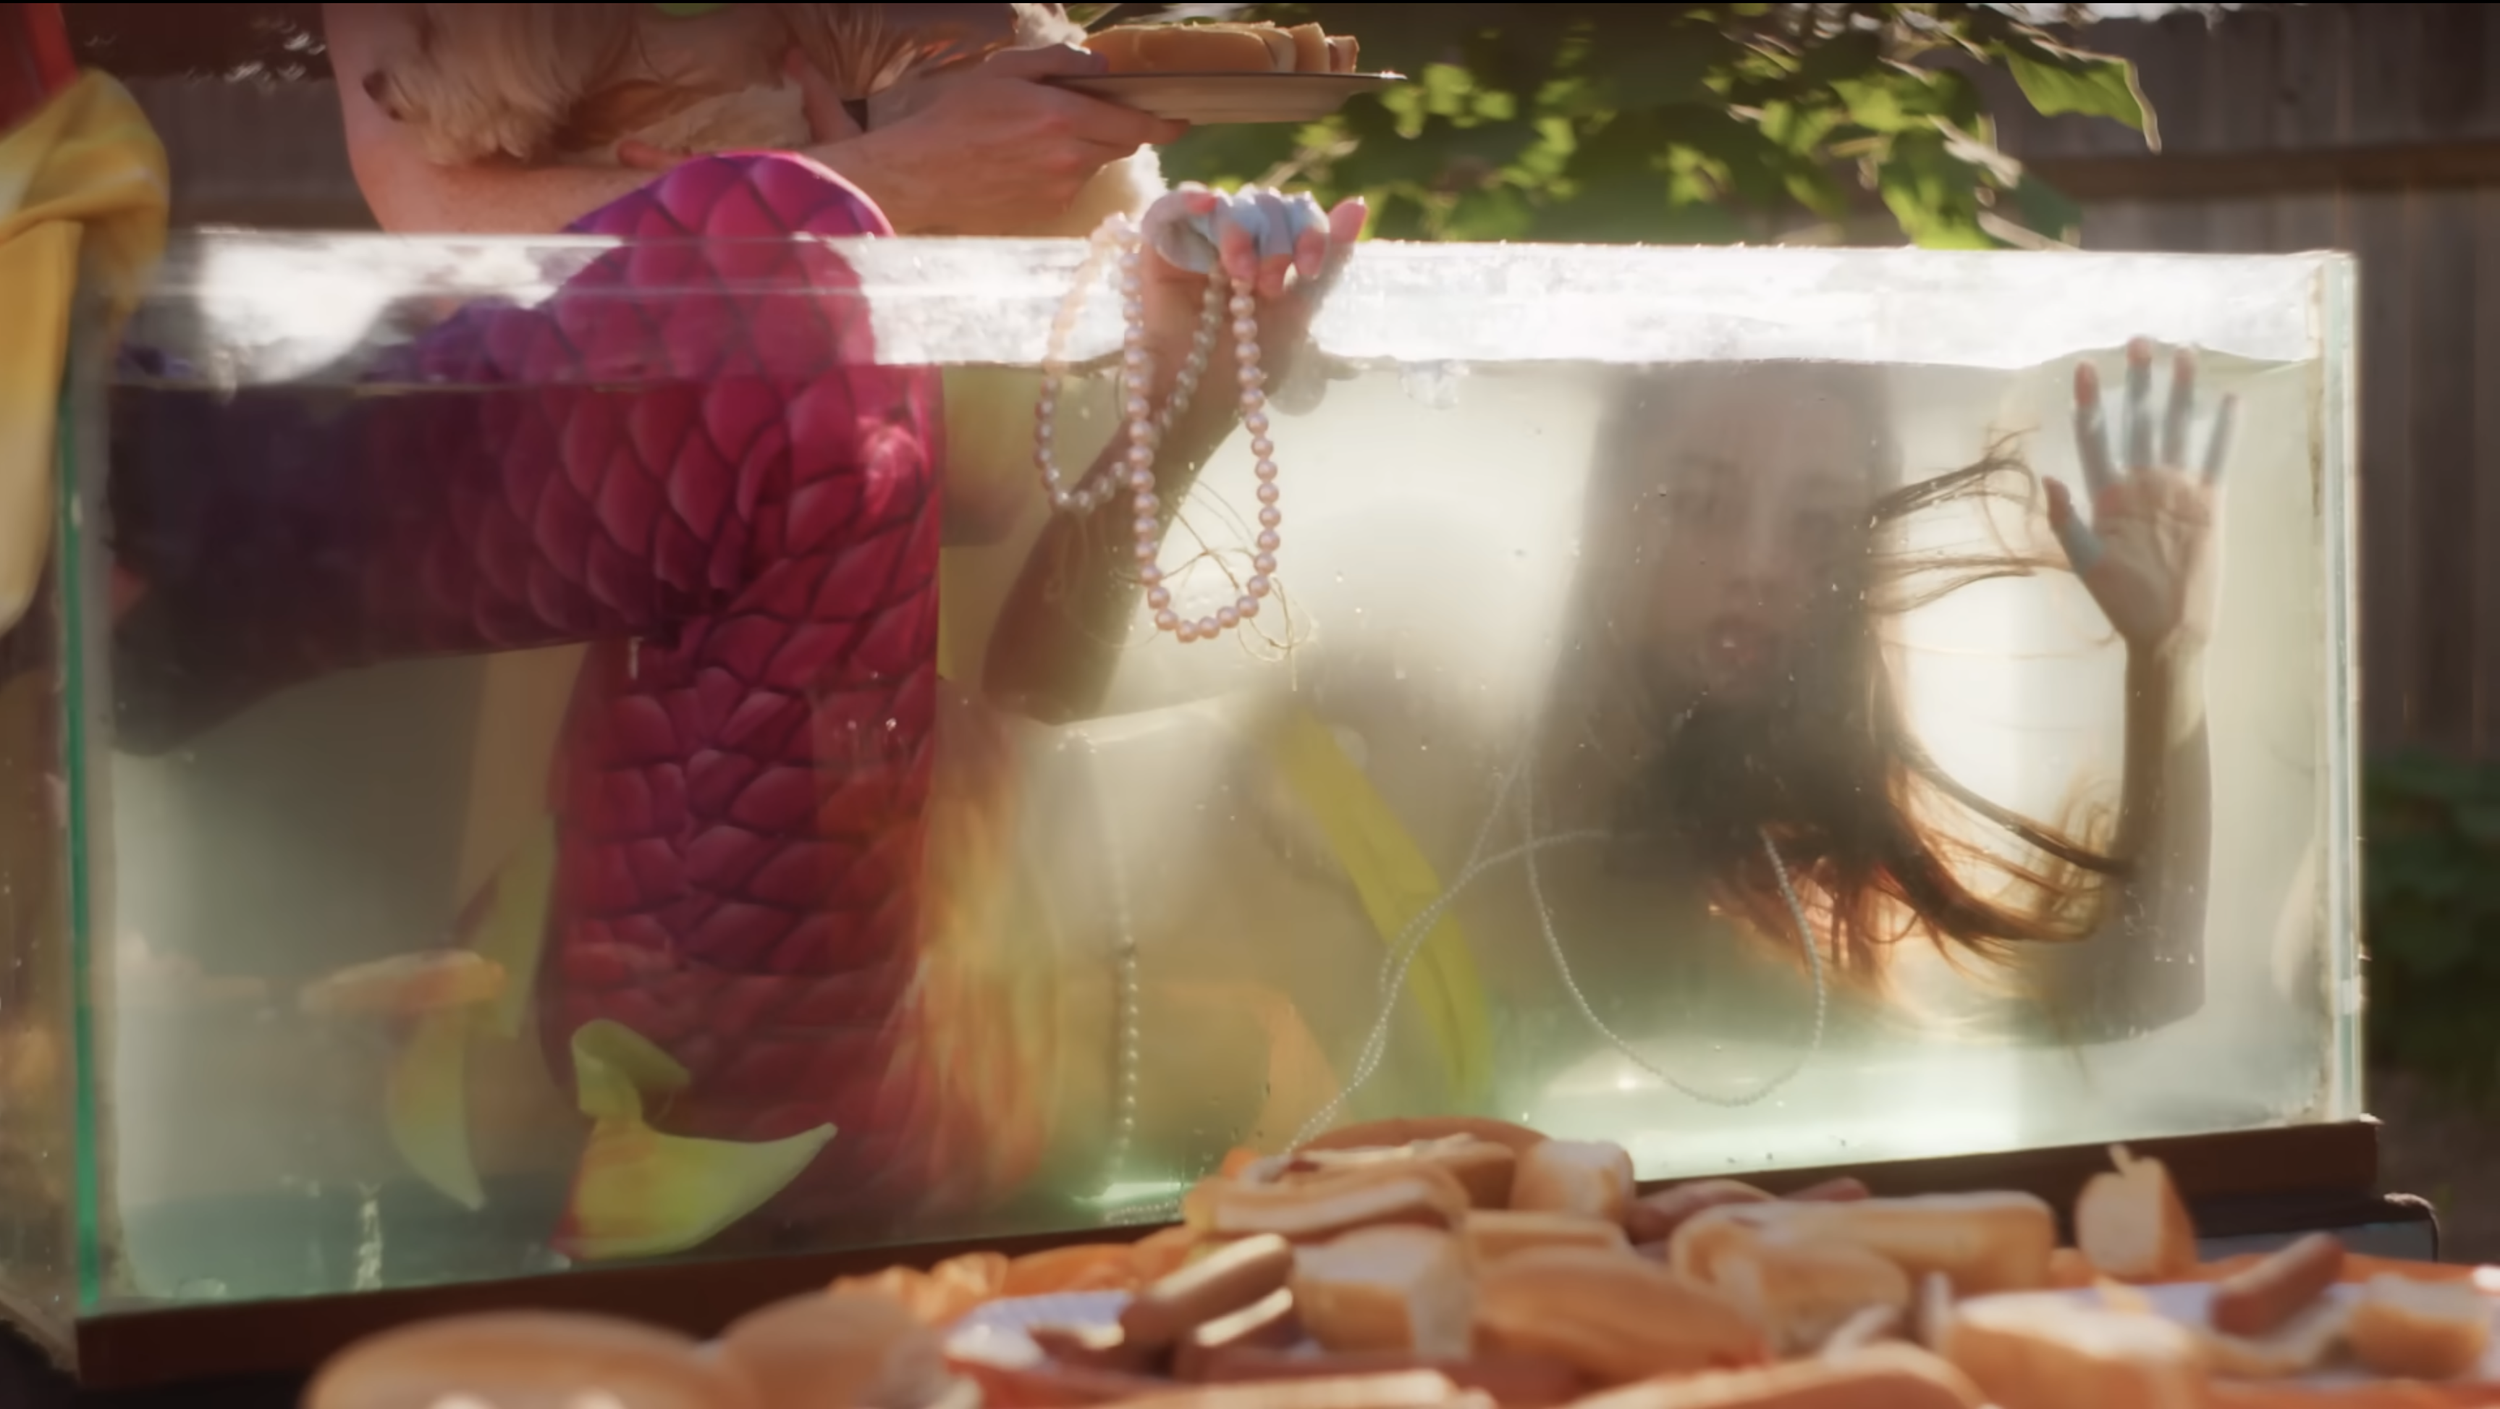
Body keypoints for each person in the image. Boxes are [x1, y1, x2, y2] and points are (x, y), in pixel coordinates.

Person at [103, 0, 1363, 1258]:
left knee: (793, 275)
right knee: (799, 287)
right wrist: (1180, 380)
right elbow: (1037, 726)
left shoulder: (1190, 1017)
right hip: (707, 1074)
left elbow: (1033, 730)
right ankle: (239, 572)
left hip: (707, 1112)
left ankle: (239, 571)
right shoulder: (1195, 971)